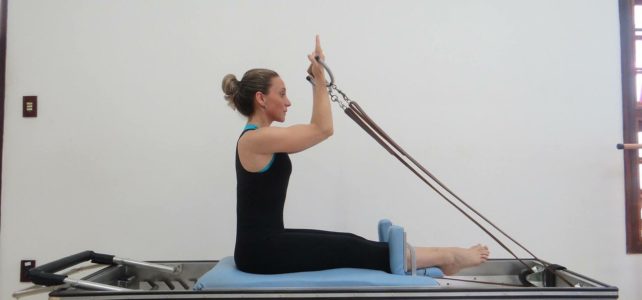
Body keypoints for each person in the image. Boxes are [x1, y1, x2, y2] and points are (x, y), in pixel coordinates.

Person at [221, 35, 489, 276]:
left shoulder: (260, 138)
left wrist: (319, 79)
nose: (288, 101)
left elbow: (318, 129)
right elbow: (322, 129)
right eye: (282, 93)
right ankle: (447, 256)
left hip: (265, 245)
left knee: (348, 242)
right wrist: (319, 79)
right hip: (260, 253)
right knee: (348, 246)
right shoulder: (256, 139)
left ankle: (434, 256)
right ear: (261, 98)